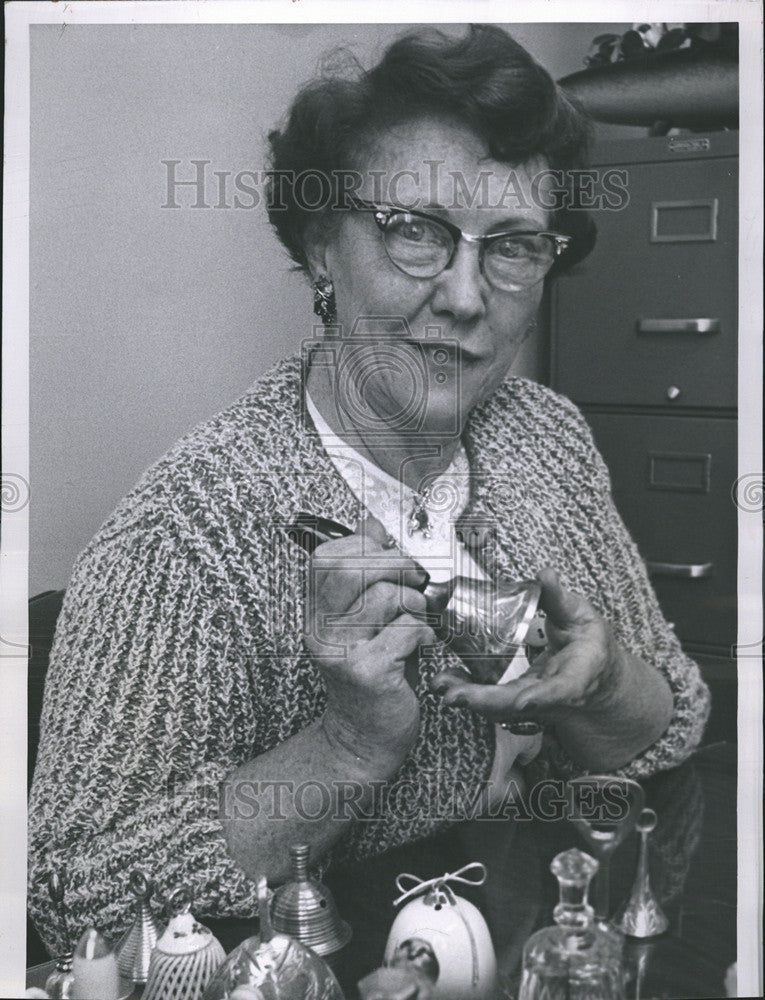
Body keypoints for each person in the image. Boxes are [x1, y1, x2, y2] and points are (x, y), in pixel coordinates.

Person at [28, 24, 710, 958]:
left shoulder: (547, 436)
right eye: (416, 232)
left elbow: (667, 732)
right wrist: (347, 745)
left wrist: (596, 690)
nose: (468, 297)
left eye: (512, 246)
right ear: (321, 250)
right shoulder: (182, 535)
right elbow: (71, 897)